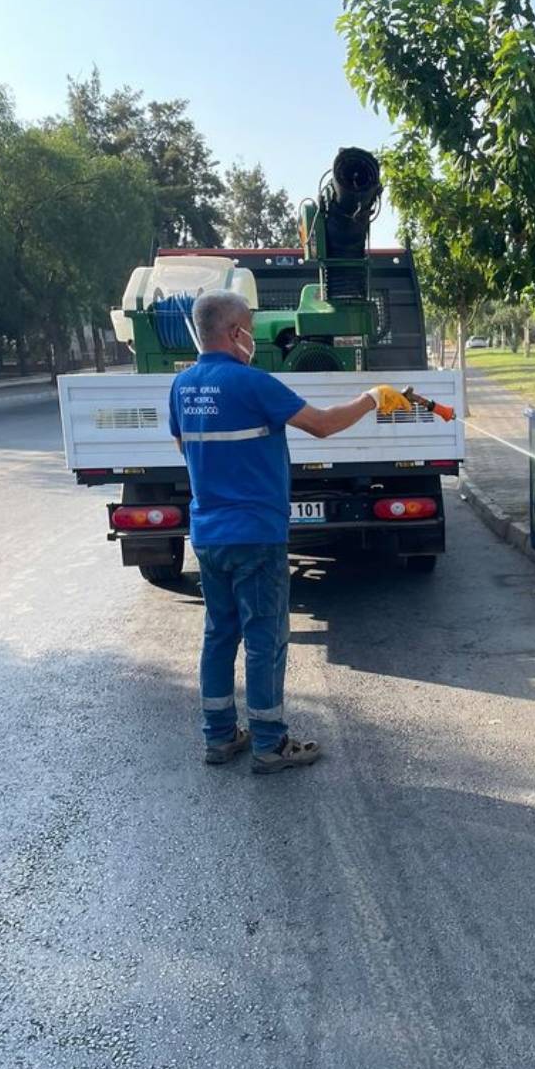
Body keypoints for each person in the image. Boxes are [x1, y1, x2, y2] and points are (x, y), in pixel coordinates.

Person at [168, 289, 412, 774]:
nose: (254, 335)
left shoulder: (182, 387)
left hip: (209, 532)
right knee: (264, 638)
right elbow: (321, 426)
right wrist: (370, 399)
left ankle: (219, 737)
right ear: (234, 332)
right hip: (255, 533)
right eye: (251, 326)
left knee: (219, 635)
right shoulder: (252, 383)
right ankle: (270, 743)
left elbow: (184, 447)